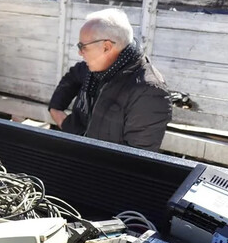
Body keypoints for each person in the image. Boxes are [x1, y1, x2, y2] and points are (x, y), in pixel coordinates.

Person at [48, 8, 172, 152]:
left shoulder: (149, 91)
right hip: (78, 158)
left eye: (83, 47)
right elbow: (73, 77)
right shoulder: (95, 67)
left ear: (106, 47)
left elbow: (137, 159)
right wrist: (58, 113)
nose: (80, 52)